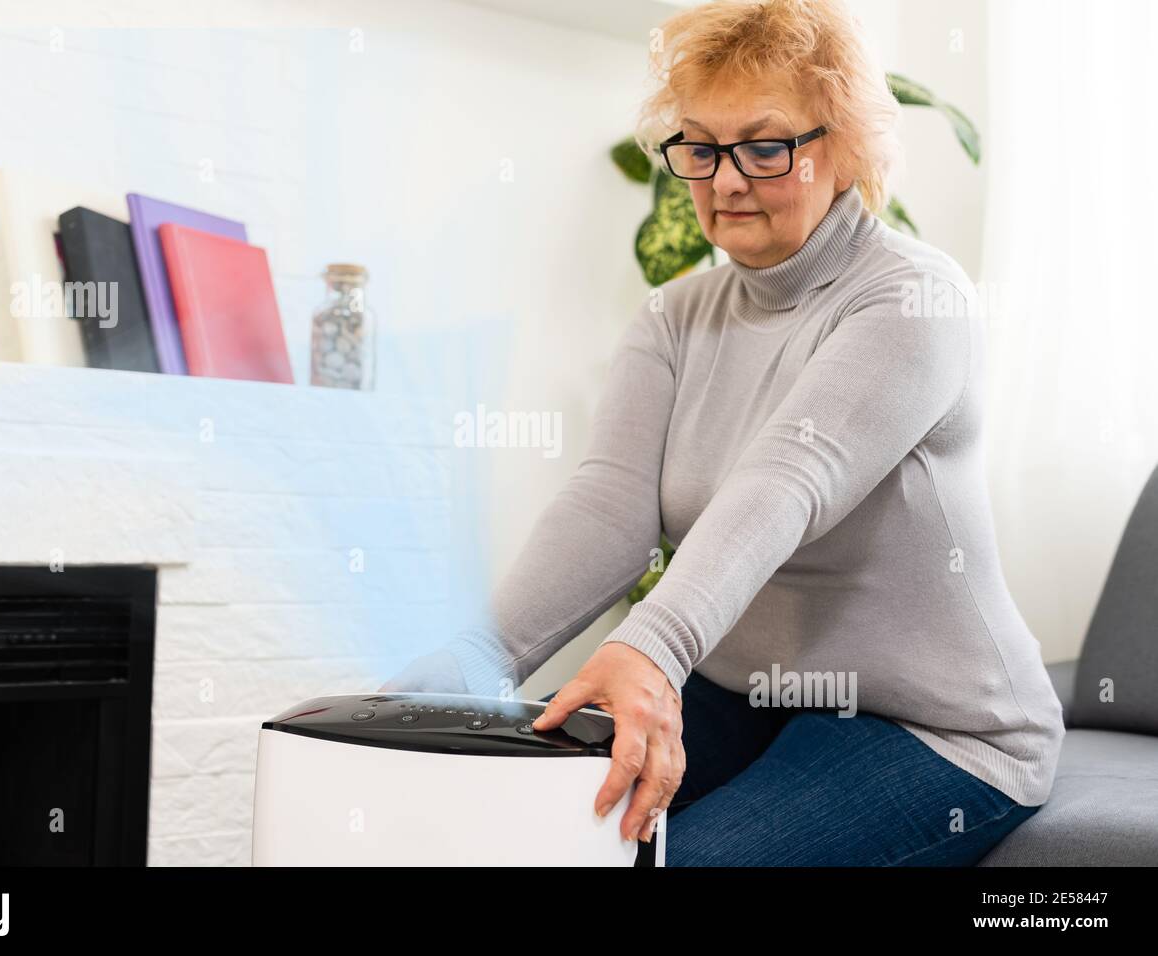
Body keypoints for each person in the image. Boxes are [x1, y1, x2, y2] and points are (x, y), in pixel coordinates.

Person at [381, 0, 1064, 865]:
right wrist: (474, 660)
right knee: (506, 830)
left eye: (765, 146)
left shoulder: (910, 299)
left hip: (930, 725)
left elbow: (789, 478)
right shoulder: (674, 317)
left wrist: (652, 649)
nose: (726, 181)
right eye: (699, 148)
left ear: (845, 146)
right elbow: (609, 507)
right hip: (742, 697)